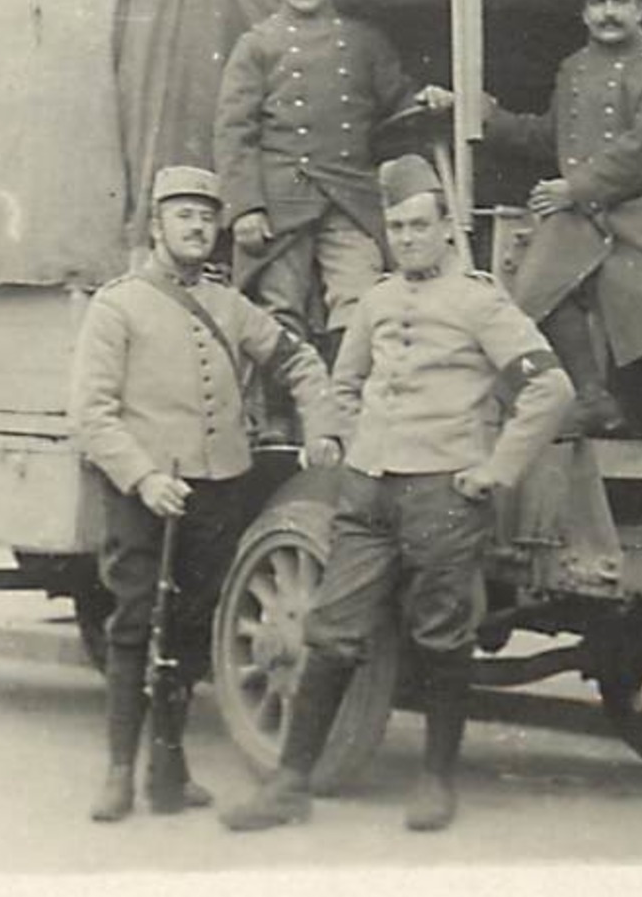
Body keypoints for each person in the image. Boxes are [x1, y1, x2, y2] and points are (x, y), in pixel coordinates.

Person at [220, 155, 573, 833]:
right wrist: (347, 440)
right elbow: (343, 382)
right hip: (369, 492)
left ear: (446, 228)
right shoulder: (377, 301)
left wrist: (496, 468)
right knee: (328, 631)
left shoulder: (479, 301)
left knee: (440, 636)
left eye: (420, 224)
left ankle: (435, 781)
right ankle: (290, 783)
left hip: (444, 494)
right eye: (397, 226)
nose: (408, 236)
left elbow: (548, 387)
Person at [70, 165, 342, 822]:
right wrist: (143, 476)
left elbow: (299, 361)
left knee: (191, 627)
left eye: (204, 216)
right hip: (144, 492)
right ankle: (117, 773)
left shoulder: (229, 306)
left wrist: (324, 426)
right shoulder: (119, 305)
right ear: (156, 226)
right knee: (136, 622)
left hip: (217, 486)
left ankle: (169, 769)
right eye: (181, 215)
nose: (195, 227)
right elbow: (91, 413)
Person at [477, 0, 642, 444]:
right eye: (599, 2)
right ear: (585, 12)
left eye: (620, 2)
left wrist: (576, 188)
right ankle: (592, 395)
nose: (609, 13)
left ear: (640, 9)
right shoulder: (574, 68)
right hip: (586, 210)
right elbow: (557, 137)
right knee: (538, 284)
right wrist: (491, 117)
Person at [214, 0, 448, 436]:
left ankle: (348, 412)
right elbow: (235, 132)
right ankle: (285, 414)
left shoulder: (364, 42)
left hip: (350, 192)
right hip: (282, 197)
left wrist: (428, 98)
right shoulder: (257, 45)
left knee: (360, 300)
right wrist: (246, 208)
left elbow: (398, 101)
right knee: (281, 306)